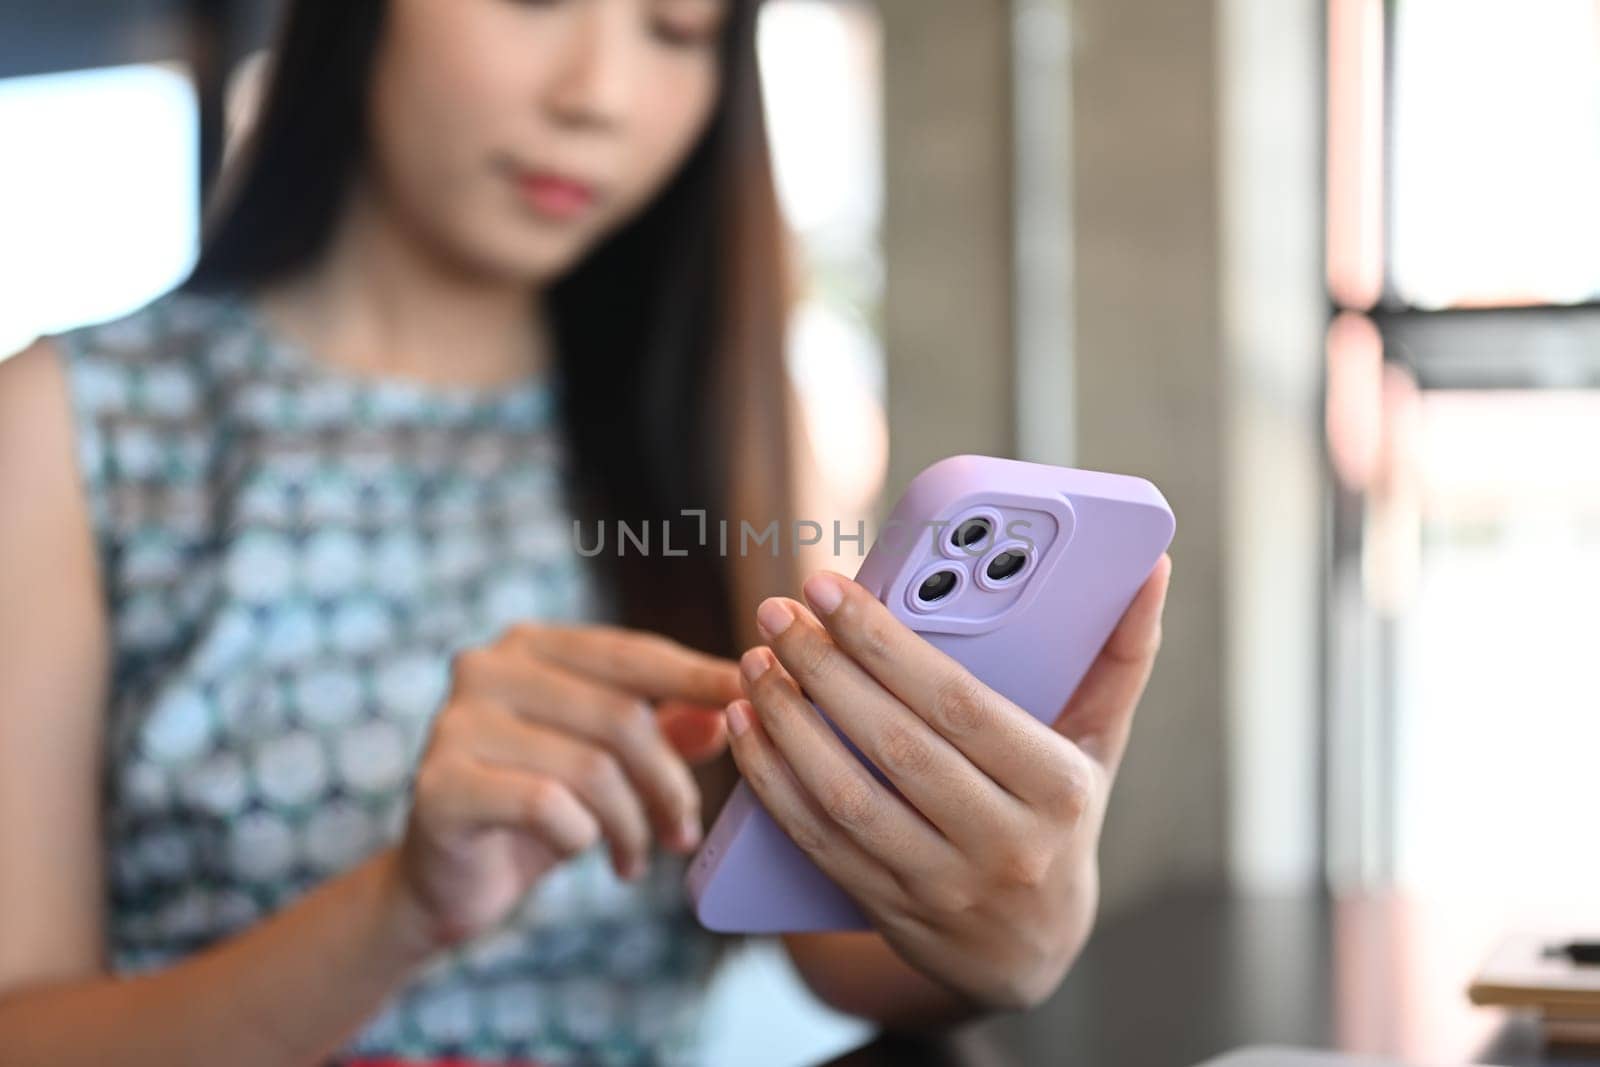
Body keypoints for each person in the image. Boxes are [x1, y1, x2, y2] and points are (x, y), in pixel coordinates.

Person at [0, 1, 1174, 1064]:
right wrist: (399, 908)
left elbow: (823, 936)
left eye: (674, 32)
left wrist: (1009, 925)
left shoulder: (714, 426)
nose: (597, 95)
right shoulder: (74, 423)